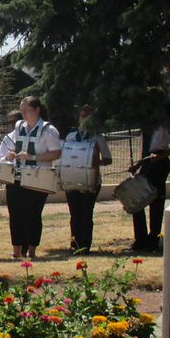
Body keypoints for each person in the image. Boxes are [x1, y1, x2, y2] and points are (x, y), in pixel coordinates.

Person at [2, 96, 61, 259]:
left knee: (32, 214)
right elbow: (13, 144)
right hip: (17, 176)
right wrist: (11, 154)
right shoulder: (19, 126)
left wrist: (33, 157)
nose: (24, 114)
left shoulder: (49, 130)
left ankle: (31, 250)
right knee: (15, 213)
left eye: (26, 110)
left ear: (37, 110)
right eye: (22, 110)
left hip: (38, 178)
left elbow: (56, 152)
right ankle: (16, 250)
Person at [63, 105, 112, 254]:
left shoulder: (97, 137)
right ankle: (74, 245)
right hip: (72, 180)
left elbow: (108, 159)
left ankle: (85, 246)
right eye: (82, 116)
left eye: (87, 116)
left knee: (86, 214)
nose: (84, 119)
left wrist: (96, 162)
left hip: (91, 181)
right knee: (74, 215)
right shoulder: (71, 136)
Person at [129, 125, 170, 252]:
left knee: (156, 202)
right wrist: (138, 165)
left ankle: (153, 239)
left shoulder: (165, 125)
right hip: (147, 162)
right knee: (136, 201)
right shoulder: (146, 127)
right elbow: (146, 150)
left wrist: (160, 157)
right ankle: (141, 238)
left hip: (159, 163)